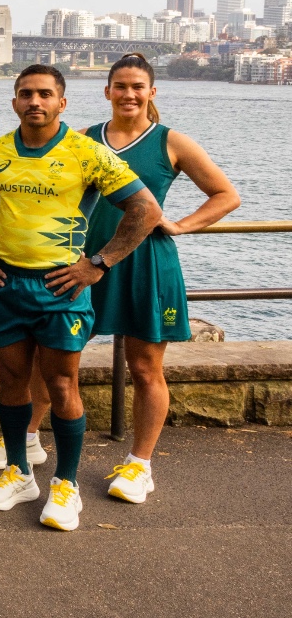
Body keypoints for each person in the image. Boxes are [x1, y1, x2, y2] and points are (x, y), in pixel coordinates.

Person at [0, 65, 161, 531]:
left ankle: (64, 485)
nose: (35, 102)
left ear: (61, 103)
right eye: (26, 94)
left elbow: (145, 209)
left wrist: (97, 264)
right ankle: (19, 472)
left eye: (45, 94)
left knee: (63, 385)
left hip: (60, 286)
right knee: (11, 382)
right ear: (14, 102)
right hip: (5, 283)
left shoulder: (86, 154)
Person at [87, 54, 239, 501]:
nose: (128, 94)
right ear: (107, 91)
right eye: (120, 86)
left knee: (145, 367)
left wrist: (179, 225)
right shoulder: (83, 140)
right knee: (55, 355)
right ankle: (28, 443)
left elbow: (226, 195)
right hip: (90, 262)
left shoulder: (171, 142)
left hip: (148, 263)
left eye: (137, 86)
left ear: (152, 92)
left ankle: (139, 466)